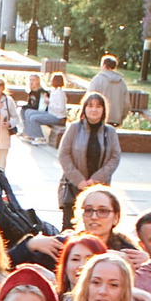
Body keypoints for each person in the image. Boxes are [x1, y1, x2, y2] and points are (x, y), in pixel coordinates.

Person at [52, 92, 122, 223]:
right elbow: (64, 154)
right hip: (74, 187)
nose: (94, 109)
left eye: (98, 106)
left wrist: (96, 179)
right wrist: (79, 180)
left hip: (99, 189)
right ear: (84, 108)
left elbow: (115, 157)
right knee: (70, 230)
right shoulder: (74, 128)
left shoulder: (110, 132)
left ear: (103, 110)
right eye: (90, 106)